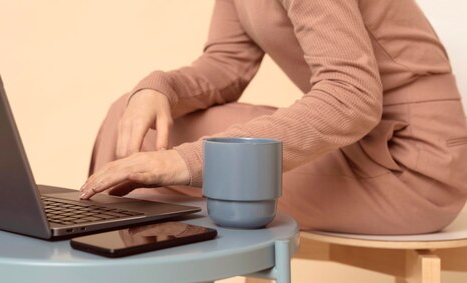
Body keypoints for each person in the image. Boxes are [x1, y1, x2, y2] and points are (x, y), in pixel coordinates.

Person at [79, 0, 467, 235]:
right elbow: (226, 65)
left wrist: (188, 161)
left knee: (154, 165)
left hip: (412, 163)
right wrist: (158, 88)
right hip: (357, 143)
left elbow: (351, 99)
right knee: (132, 114)